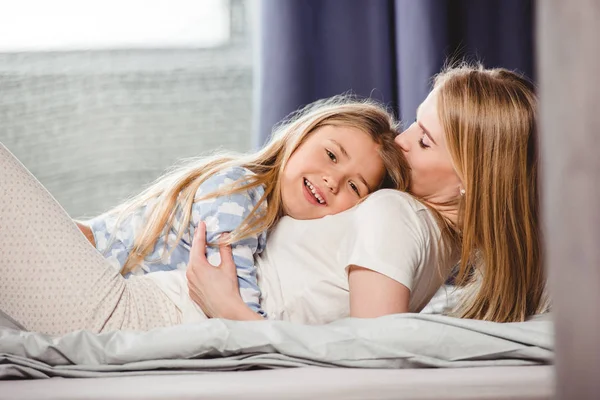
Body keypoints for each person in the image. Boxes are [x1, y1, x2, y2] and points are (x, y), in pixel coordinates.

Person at [0, 96, 408, 335]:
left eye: (355, 186)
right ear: (300, 137)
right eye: (331, 155)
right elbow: (233, 284)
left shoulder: (267, 215)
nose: (332, 180)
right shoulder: (242, 191)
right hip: (82, 259)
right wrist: (268, 333)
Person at [186, 64, 549, 324]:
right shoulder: (428, 234)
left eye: (424, 141)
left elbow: (372, 358)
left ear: (470, 179)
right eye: (414, 124)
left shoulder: (394, 213)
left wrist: (231, 313)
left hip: (187, 305)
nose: (400, 142)